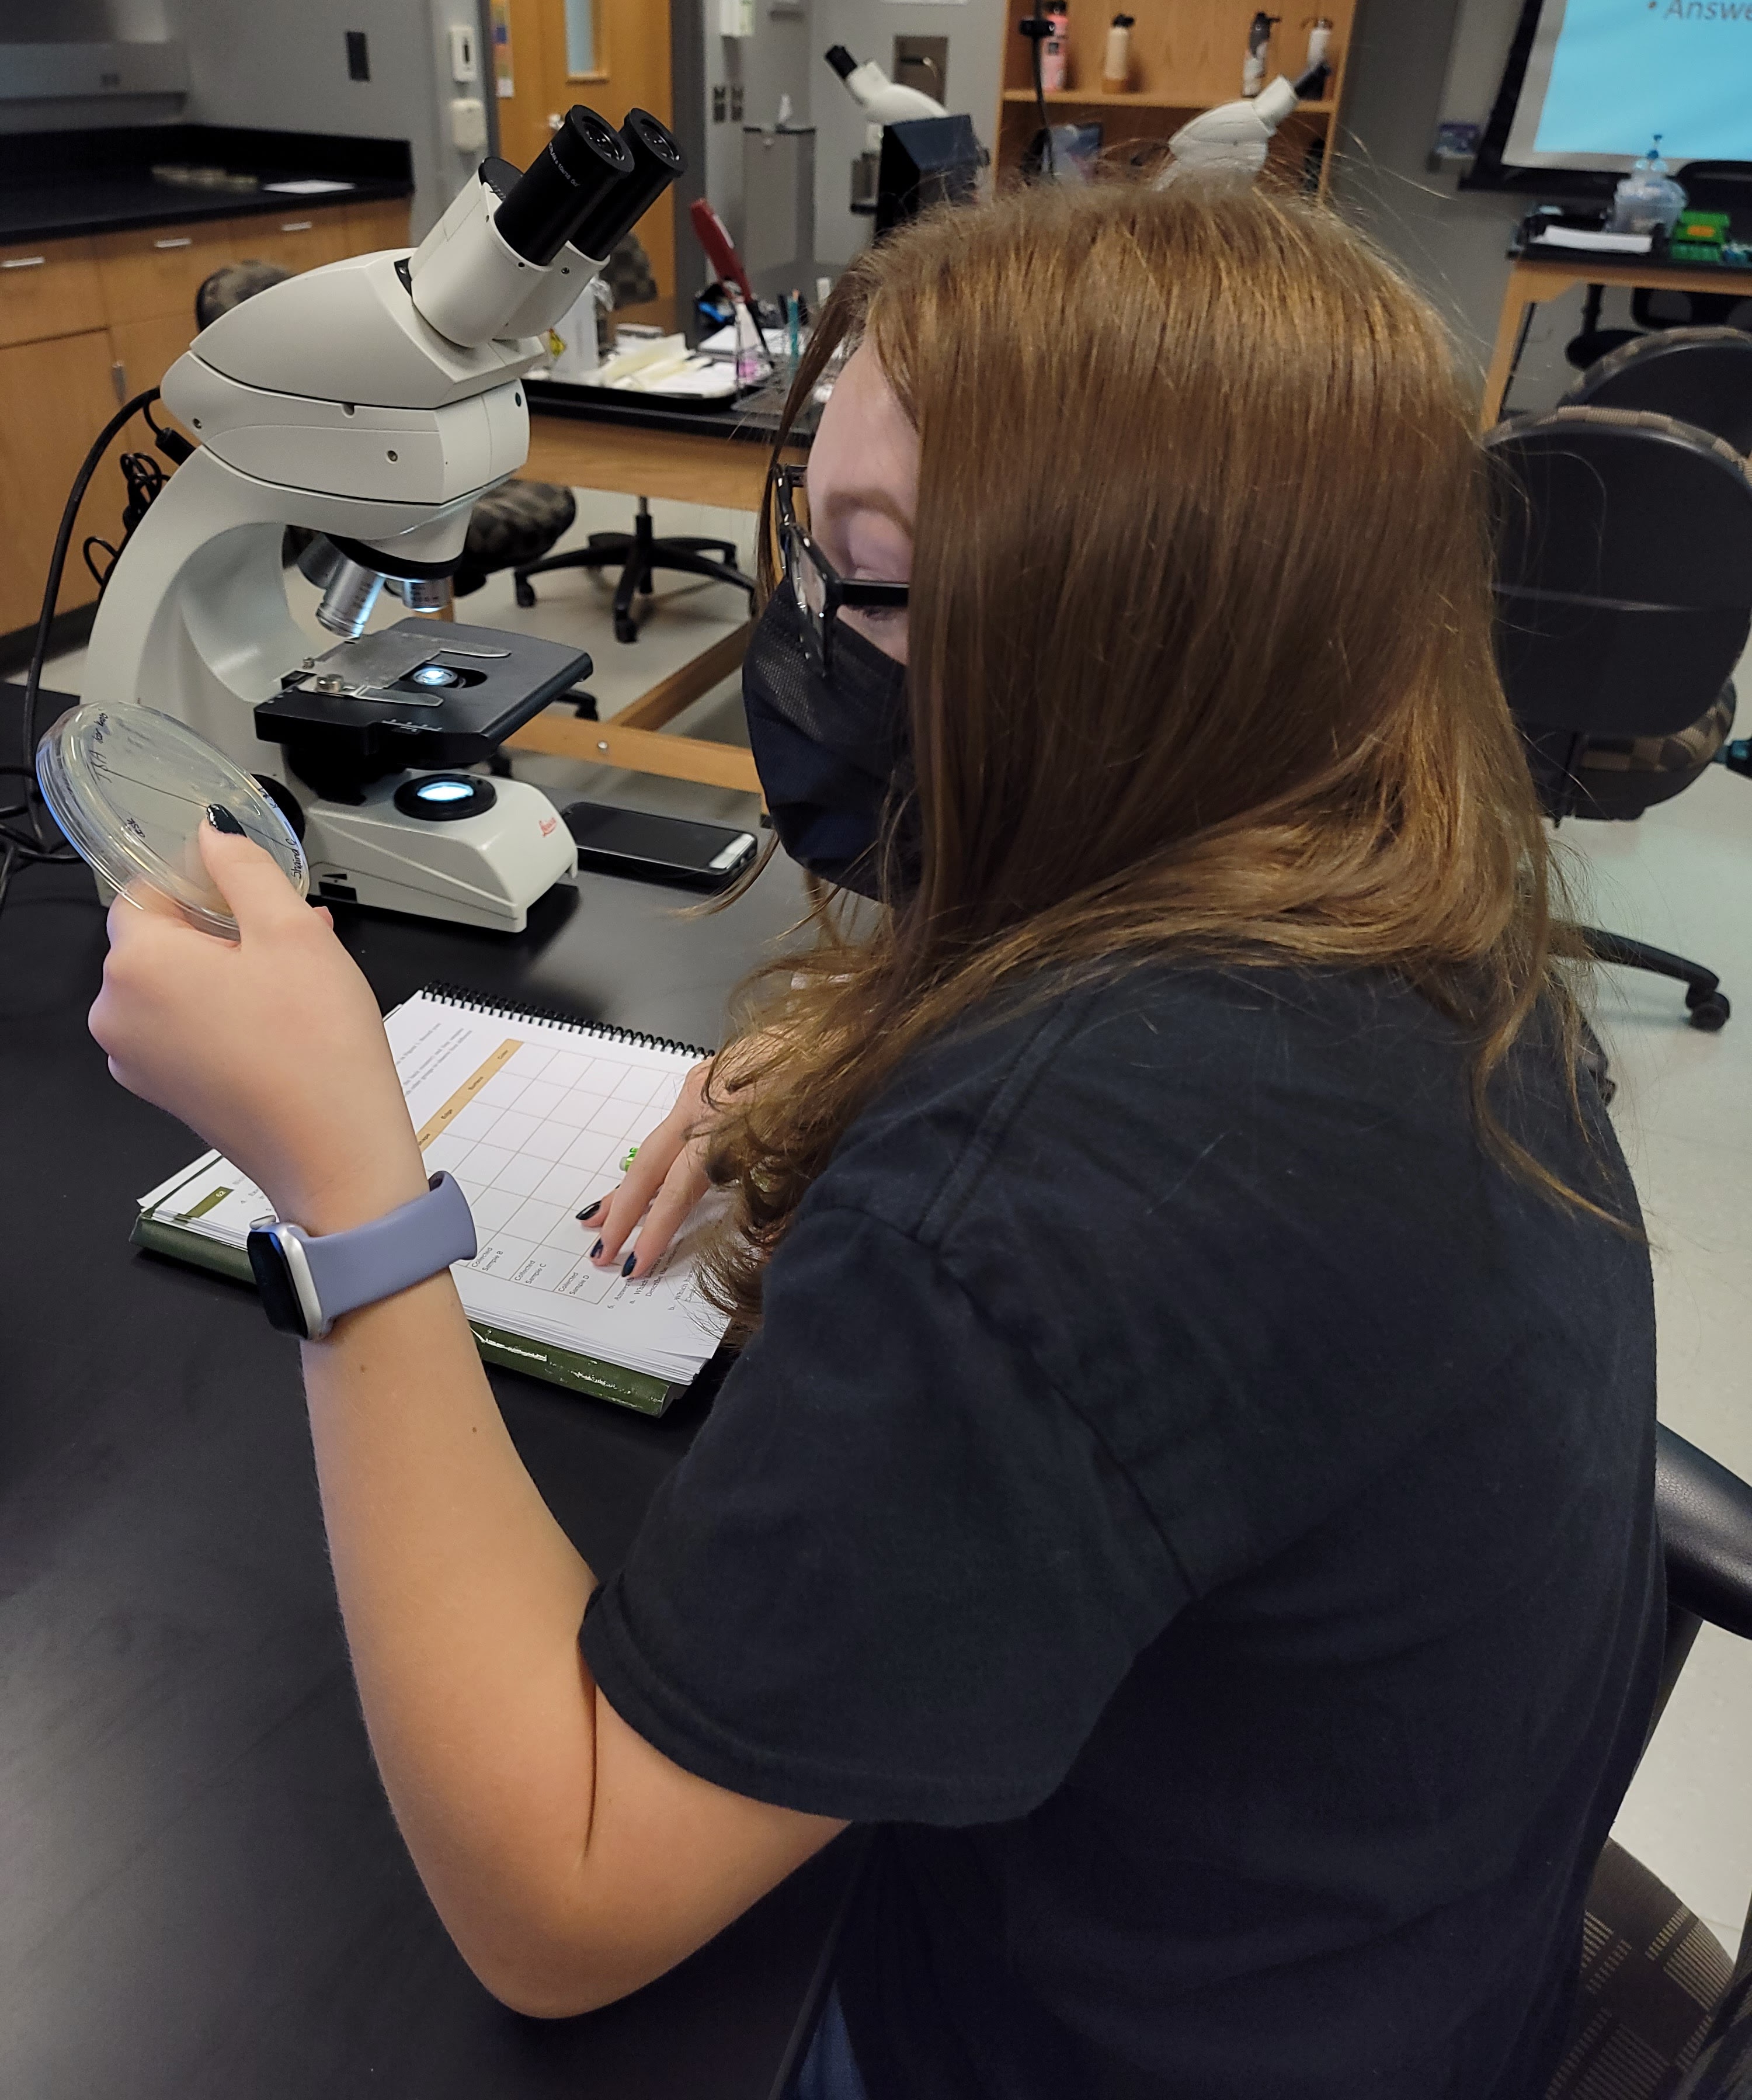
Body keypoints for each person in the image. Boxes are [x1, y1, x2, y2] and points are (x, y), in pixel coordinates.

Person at [89, 179, 1659, 2100]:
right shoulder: (1398, 897)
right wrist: (877, 1058)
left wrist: (344, 1180)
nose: (806, 636)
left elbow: (559, 1902)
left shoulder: (1065, 1186)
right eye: (806, 548)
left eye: (873, 580)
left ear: (1129, 649)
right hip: (1391, 1957)